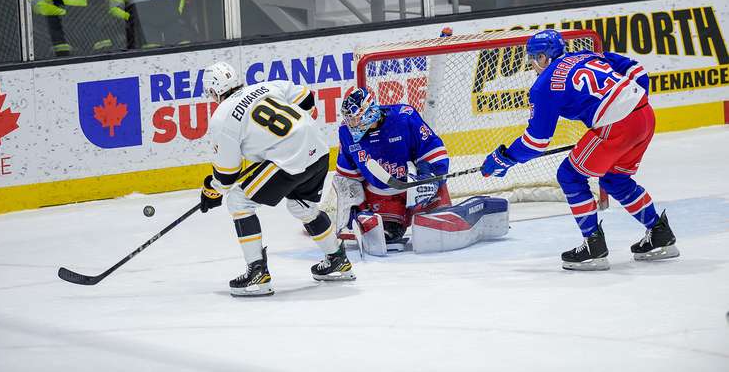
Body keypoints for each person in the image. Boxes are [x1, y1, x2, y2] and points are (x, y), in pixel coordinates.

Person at [480, 29, 679, 271]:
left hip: (616, 126)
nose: (531, 65)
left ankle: (593, 247)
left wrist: (504, 158)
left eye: (532, 58)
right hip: (645, 115)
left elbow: (536, 142)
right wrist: (630, 103)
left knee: (570, 175)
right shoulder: (585, 55)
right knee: (615, 179)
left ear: (543, 58)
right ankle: (660, 234)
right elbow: (636, 69)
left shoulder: (543, 86)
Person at [199, 61, 355, 296]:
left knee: (238, 202)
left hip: (288, 160)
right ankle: (337, 260)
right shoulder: (268, 86)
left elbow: (227, 176)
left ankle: (257, 274)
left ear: (213, 91)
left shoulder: (222, 117)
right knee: (302, 206)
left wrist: (211, 190)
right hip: (318, 149)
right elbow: (307, 98)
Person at [332, 86, 452, 253]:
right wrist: (355, 209)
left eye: (355, 119)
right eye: (349, 119)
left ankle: (437, 206)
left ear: (369, 113)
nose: (351, 124)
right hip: (382, 197)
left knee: (439, 228)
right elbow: (348, 178)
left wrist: (430, 179)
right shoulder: (346, 133)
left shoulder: (404, 117)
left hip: (416, 188)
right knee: (386, 236)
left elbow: (432, 150)